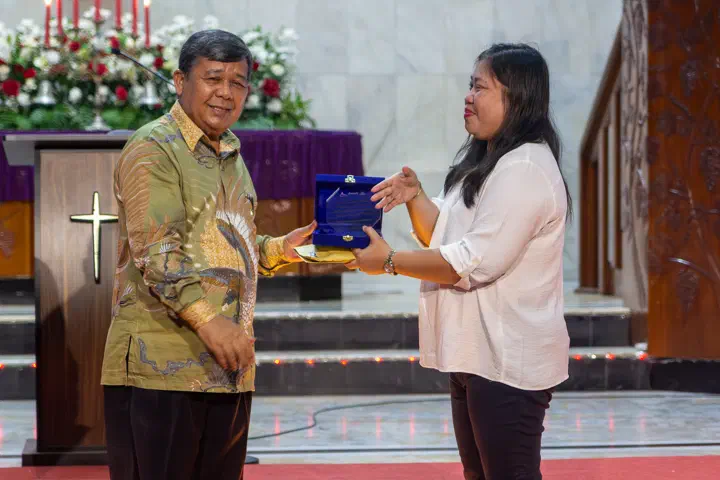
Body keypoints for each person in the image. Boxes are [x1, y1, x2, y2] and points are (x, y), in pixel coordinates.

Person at [349, 43, 572, 479]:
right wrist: (415, 197)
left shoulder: (525, 167)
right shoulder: (489, 158)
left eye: (480, 88)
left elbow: (471, 262)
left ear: (517, 97)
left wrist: (389, 260)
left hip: (507, 359)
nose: (468, 97)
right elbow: (447, 236)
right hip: (476, 353)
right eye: (471, 85)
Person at [101, 29, 315, 480]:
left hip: (228, 366)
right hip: (163, 366)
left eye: (237, 83)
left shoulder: (230, 152)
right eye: (213, 78)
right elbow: (158, 252)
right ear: (180, 81)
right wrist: (209, 321)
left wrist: (282, 249)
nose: (225, 93)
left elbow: (229, 245)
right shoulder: (154, 147)